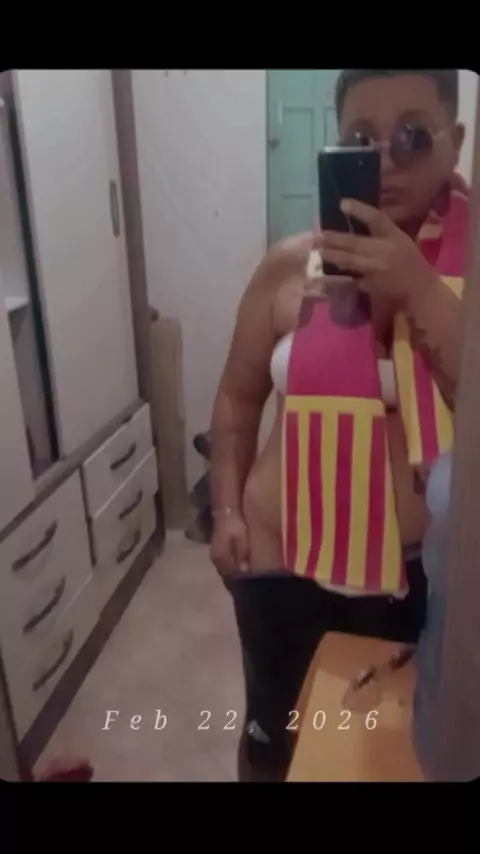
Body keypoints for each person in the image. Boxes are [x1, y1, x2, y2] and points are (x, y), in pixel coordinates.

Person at [210, 69, 467, 782]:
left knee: (390, 751)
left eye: (412, 136)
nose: (385, 160)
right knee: (274, 735)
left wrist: (418, 288)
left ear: (455, 141)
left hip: (422, 579)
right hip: (278, 563)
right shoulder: (287, 267)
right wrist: (226, 509)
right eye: (360, 140)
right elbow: (235, 401)